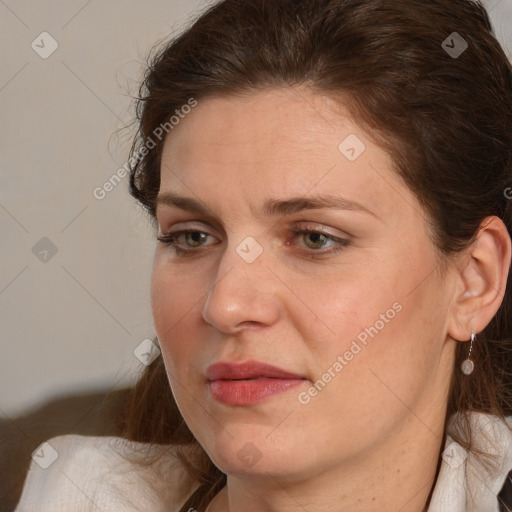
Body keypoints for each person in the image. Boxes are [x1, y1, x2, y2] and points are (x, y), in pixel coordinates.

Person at [14, 0, 512, 511]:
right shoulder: (71, 493)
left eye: (315, 238)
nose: (226, 305)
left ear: (474, 281)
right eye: (192, 237)